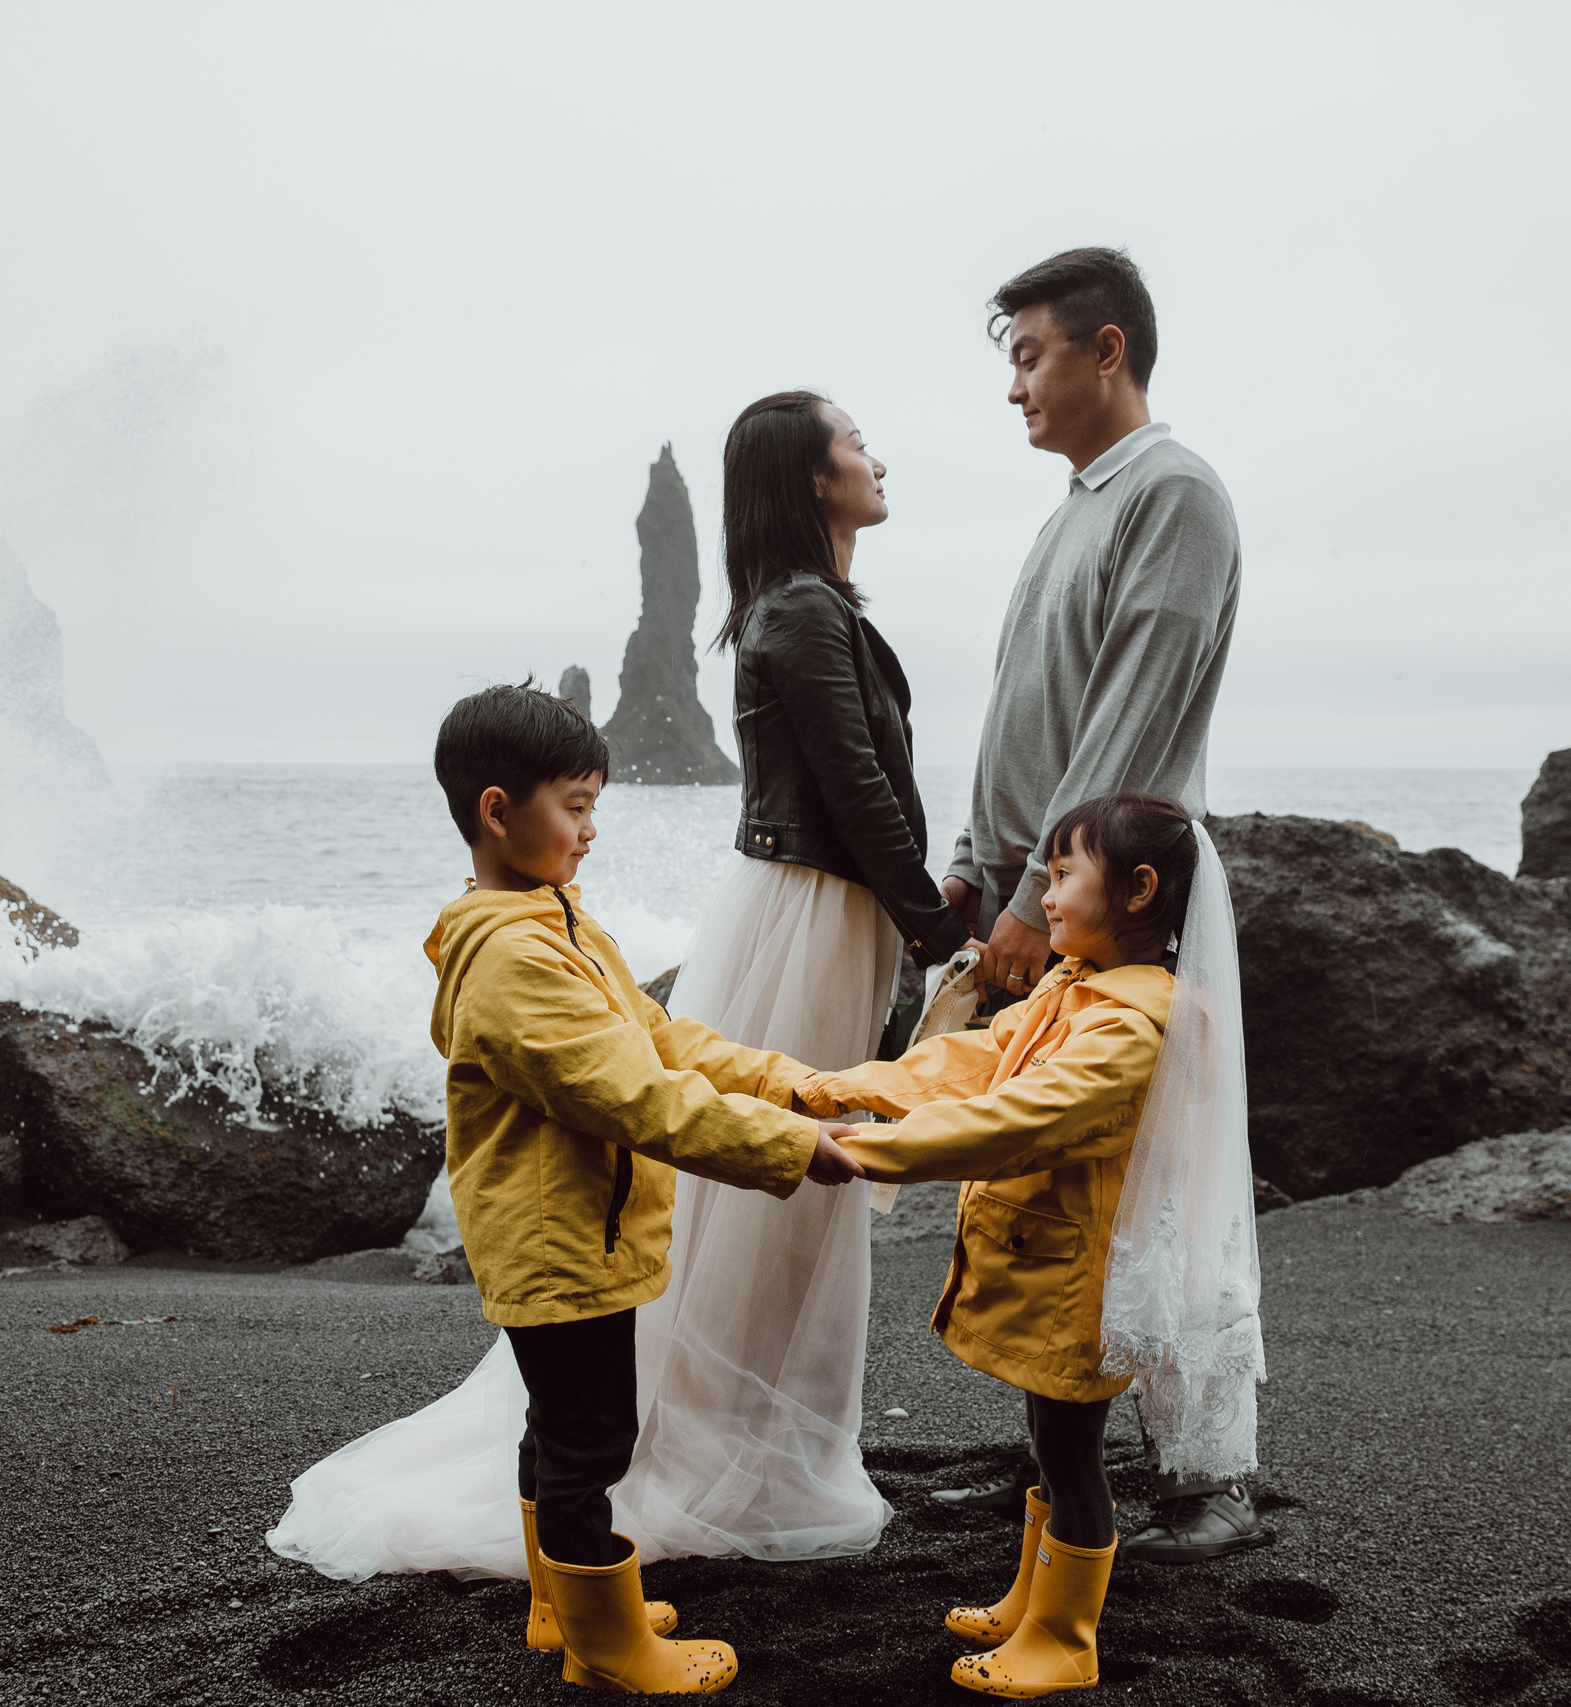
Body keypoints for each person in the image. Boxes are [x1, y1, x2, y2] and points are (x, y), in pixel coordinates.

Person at [270, 683, 870, 1695]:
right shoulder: (514, 958)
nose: (592, 830)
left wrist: (794, 1086)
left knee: (560, 1429)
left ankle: (561, 1604)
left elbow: (660, 1038)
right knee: (592, 1439)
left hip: (578, 1234)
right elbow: (635, 1095)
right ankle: (606, 1643)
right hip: (557, 1244)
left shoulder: (556, 920)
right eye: (576, 806)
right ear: (498, 811)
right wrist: (788, 1146)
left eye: (595, 806)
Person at [934, 247, 1260, 1562]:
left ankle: (1208, 1476)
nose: (1013, 385)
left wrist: (1036, 894)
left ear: (1106, 349)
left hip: (1127, 901)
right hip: (1055, 892)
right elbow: (1024, 706)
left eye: (1030, 355)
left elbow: (1127, 723)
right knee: (1065, 1194)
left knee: (1166, 1188)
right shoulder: (1074, 506)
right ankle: (1063, 1463)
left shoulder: (1174, 494)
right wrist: (974, 863)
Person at [799, 793, 1264, 1697]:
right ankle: (1031, 1597)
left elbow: (1019, 1119)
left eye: (1062, 875)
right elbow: (973, 1063)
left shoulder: (1131, 1025)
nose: (1044, 896)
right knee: (1051, 1445)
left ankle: (1063, 1634)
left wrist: (865, 1148)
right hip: (1055, 1267)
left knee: (1073, 1457)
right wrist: (832, 1089)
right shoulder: (1075, 988)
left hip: (1082, 1280)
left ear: (1138, 889)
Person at [626, 390, 973, 1560]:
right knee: (788, 1177)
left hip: (812, 905)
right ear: (812, 478)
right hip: (815, 914)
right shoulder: (804, 612)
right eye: (856, 442)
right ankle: (734, 1458)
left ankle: (750, 1441)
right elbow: (851, 784)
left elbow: (854, 784)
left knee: (777, 1177)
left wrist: (918, 911)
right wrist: (933, 926)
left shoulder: (799, 606)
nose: (877, 459)